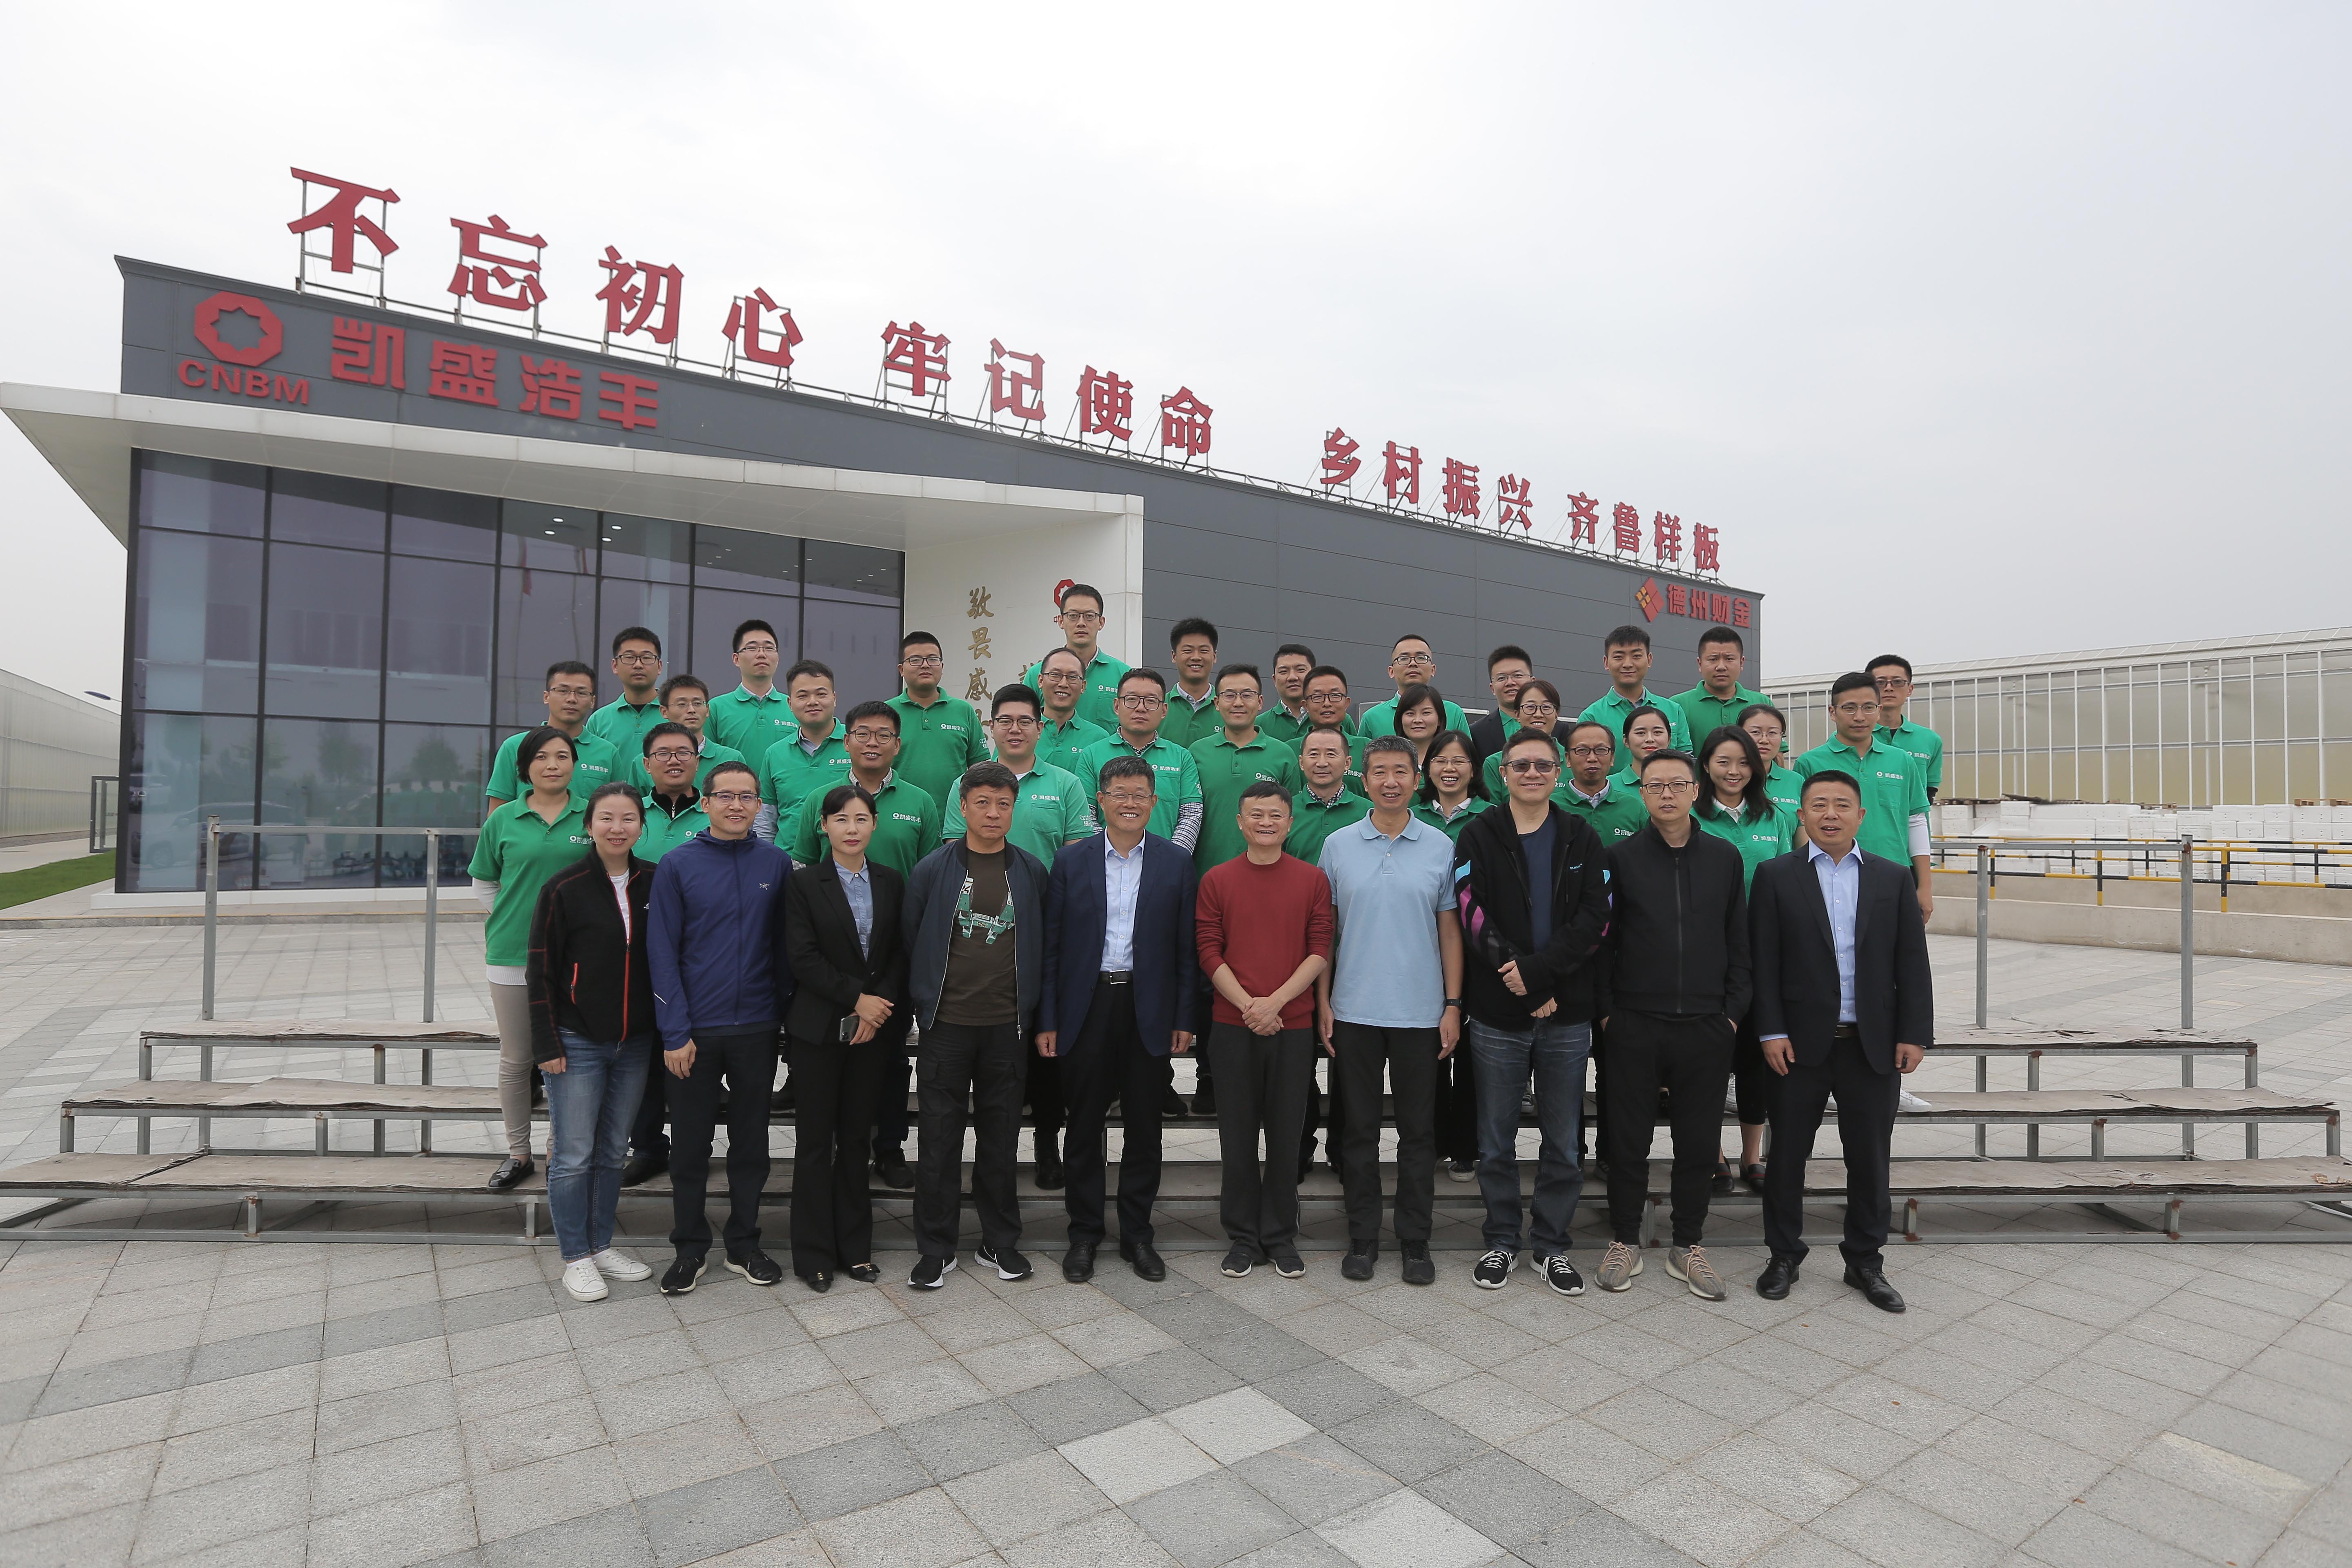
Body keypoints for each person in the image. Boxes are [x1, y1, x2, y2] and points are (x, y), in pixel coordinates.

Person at [1750, 770, 1933, 1314]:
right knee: (1788, 1157)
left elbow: (1911, 961)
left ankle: (1865, 1261)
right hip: (1797, 1046)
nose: (1830, 814)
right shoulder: (1775, 875)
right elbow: (1763, 960)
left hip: (1871, 1045)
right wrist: (1771, 1030)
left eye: (1841, 805)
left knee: (1870, 1159)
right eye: (1819, 805)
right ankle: (1784, 1255)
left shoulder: (1892, 877)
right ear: (1801, 814)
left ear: (1861, 815)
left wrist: (1914, 1033)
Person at [1453, 728, 1611, 1296]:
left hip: (1566, 1015)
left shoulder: (1580, 835)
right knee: (1495, 1141)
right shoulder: (1479, 834)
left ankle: (1551, 1246)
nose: (1532, 774)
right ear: (1503, 772)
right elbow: (1470, 913)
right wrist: (1522, 983)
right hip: (1498, 1015)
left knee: (1563, 1142)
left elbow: (1598, 917)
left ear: (1558, 772)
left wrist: (1540, 975)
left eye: (1543, 765)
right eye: (1521, 765)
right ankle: (1501, 1240)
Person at [1594, 749, 1750, 1303]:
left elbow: (1738, 938)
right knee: (1627, 1141)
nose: (1666, 794)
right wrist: (1609, 1013)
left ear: (1695, 790)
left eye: (1677, 784)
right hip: (1634, 1022)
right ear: (1641, 793)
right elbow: (1602, 944)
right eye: (1655, 785)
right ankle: (1624, 1240)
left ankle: (1688, 1244)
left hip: (1706, 1025)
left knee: (1699, 1143)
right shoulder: (1620, 858)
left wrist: (1732, 1013)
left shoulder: (1724, 857)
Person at [1040, 755, 1199, 1284]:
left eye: (1140, 794)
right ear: (1101, 801)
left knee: (1145, 1128)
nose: (1130, 803)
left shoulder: (1176, 863)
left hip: (1147, 1007)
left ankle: (1137, 1236)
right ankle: (1084, 1234)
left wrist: (1183, 1015)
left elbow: (1186, 950)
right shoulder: (1072, 861)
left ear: (1154, 802)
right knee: (1084, 1126)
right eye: (1119, 793)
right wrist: (1049, 1019)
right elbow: (1052, 948)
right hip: (1086, 1008)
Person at [899, 763, 1051, 1288]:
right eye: (982, 803)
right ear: (963, 807)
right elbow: (912, 941)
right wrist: (923, 1006)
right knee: (938, 1141)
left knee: (1000, 1140)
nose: (993, 813)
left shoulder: (1030, 871)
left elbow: (1044, 946)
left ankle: (999, 1242)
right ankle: (935, 1248)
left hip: (1007, 1028)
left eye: (1003, 804)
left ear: (1014, 809)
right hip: (947, 1026)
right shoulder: (932, 870)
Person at [1317, 736, 1463, 1286]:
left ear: (1416, 779)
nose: (1390, 782)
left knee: (1419, 1134)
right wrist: (1324, 1001)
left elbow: (1450, 932)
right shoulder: (1338, 845)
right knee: (1357, 1132)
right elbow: (1325, 932)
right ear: (1365, 778)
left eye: (1401, 771)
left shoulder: (1440, 845)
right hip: (1353, 1011)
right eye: (1379, 771)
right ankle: (1362, 1237)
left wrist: (1452, 1004)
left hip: (1421, 1014)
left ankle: (1415, 1239)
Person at [646, 760, 792, 1295]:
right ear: (705, 803)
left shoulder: (776, 863)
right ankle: (689, 1246)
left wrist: (783, 1020)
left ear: (759, 806)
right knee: (689, 1147)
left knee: (751, 1144)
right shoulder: (677, 864)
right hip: (694, 1032)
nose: (737, 805)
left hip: (756, 1027)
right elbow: (662, 953)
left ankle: (744, 1243)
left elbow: (784, 949)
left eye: (747, 797)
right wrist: (674, 1032)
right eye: (726, 796)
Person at [785, 699, 941, 1189]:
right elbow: (804, 867)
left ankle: (889, 1149)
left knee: (890, 1064)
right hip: (832, 963)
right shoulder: (821, 798)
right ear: (846, 740)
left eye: (884, 735)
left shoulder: (920, 801)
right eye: (863, 734)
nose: (873, 743)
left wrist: (886, 987)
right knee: (830, 1076)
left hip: (891, 959)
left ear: (898, 744)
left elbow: (929, 877)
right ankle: (833, 1156)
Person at [946, 683, 1094, 1187]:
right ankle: (985, 1157)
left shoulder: (1065, 784)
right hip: (982, 934)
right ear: (991, 727)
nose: (1015, 729)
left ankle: (1048, 1144)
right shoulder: (968, 783)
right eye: (1005, 720)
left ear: (1040, 726)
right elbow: (954, 855)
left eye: (1025, 721)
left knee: (1046, 1046)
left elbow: (1077, 857)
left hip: (1047, 932)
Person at [525, 782, 659, 1301]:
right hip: (577, 1040)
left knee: (612, 1150)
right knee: (574, 1153)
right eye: (607, 818)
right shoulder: (564, 888)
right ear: (589, 825)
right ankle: (575, 1257)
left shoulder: (656, 882)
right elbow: (541, 971)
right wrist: (547, 1044)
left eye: (628, 819)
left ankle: (601, 1245)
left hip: (636, 1042)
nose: (617, 828)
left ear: (641, 826)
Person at [1196, 781, 1331, 1279]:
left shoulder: (1312, 880)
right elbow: (1208, 949)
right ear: (1240, 822)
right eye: (1256, 815)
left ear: (1290, 823)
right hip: (1232, 1025)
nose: (1266, 823)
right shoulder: (1217, 879)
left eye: (1275, 815)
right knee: (1236, 1136)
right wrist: (1249, 1005)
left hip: (1291, 1027)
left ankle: (1279, 1235)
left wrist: (1275, 1004)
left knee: (1286, 1133)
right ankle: (1242, 1237)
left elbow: (1320, 948)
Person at [782, 784, 908, 1291]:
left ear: (874, 824)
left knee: (857, 1140)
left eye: (860, 819)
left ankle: (855, 1250)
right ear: (824, 827)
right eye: (840, 820)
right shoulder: (803, 884)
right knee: (816, 1142)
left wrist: (876, 1010)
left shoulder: (892, 881)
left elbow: (900, 952)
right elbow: (802, 956)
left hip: (873, 1032)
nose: (851, 829)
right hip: (817, 1030)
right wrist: (858, 999)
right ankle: (813, 1254)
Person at [470, 726, 594, 1191]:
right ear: (524, 768)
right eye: (541, 757)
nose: (552, 765)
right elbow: (485, 883)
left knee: (567, 1056)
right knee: (518, 1057)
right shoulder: (503, 819)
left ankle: (559, 1149)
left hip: (576, 959)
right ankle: (518, 1153)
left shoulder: (591, 815)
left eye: (562, 756)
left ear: (574, 764)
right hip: (512, 953)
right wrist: (518, 918)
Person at [1185, 663, 1303, 1119]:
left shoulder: (1282, 754)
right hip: (1210, 885)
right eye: (1229, 695)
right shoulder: (1196, 753)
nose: (1238, 702)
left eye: (1247, 694)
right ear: (1217, 703)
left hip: (1270, 889)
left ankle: (1275, 1078)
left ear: (1261, 702)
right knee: (1209, 982)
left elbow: (1292, 818)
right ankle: (1209, 1077)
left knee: (1266, 976)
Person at [1694, 726, 1794, 1196]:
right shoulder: (1692, 816)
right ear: (1706, 766)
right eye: (1723, 762)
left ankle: (1752, 1156)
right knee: (1710, 1059)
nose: (1733, 771)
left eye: (1743, 762)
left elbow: (1792, 880)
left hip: (1762, 955)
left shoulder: (1774, 817)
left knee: (1757, 1060)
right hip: (1708, 955)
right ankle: (1713, 1154)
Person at [1795, 673, 1933, 920]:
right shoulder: (1810, 762)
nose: (1859, 717)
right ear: (1833, 712)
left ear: (1879, 711)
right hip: (1830, 877)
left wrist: (1925, 886)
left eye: (1869, 708)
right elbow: (1803, 826)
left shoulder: (1902, 760)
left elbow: (1916, 821)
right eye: (1849, 708)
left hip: (1893, 876)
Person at [1074, 668, 1204, 851]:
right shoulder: (1092, 755)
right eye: (1132, 699)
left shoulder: (1182, 757)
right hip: (1106, 861)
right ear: (1117, 706)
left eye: (1151, 701)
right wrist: (1104, 855)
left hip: (1164, 862)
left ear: (1164, 710)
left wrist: (1172, 858)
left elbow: (1191, 813)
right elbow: (1085, 813)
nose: (1141, 708)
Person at [485, 662, 618, 811]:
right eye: (563, 691)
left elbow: (618, 809)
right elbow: (497, 815)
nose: (572, 699)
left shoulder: (608, 753)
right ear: (546, 697)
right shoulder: (514, 747)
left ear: (593, 701)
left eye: (581, 693)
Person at [887, 631, 989, 809]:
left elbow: (980, 770)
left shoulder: (964, 711)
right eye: (916, 660)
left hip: (954, 817)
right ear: (901, 670)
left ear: (942, 666)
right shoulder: (886, 713)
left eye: (933, 659)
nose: (925, 665)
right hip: (899, 815)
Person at [754, 660, 853, 839]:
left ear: (834, 698)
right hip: (788, 855)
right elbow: (766, 821)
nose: (813, 702)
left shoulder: (857, 744)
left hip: (844, 853)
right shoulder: (775, 754)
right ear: (790, 703)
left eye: (821, 694)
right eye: (803, 696)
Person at [1020, 582, 1129, 730]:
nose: (1081, 623)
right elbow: (1022, 724)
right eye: (1073, 616)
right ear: (1061, 621)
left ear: (1101, 622)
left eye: (1090, 616)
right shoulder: (1037, 674)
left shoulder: (1123, 675)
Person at [1580, 624, 1693, 754]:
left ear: (1649, 660)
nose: (1628, 664)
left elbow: (1686, 759)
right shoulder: (1592, 717)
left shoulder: (1674, 710)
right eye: (1619, 657)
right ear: (1606, 663)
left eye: (1637, 656)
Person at [621, 678, 745, 793]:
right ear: (664, 711)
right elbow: (636, 806)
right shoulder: (644, 762)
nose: (691, 710)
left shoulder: (731, 758)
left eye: (698, 703)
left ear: (707, 710)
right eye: (682, 704)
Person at [706, 619, 798, 766]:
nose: (761, 654)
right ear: (736, 659)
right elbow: (705, 761)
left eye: (769, 648)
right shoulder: (716, 708)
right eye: (752, 648)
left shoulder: (795, 707)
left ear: (778, 658)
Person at [1670, 626, 1772, 748]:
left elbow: (1776, 752)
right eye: (1713, 659)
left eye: (1729, 659)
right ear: (1700, 663)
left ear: (1742, 662)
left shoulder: (1762, 703)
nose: (1721, 667)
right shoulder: (1677, 705)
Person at [1556, 720, 1649, 847]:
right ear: (1568, 759)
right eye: (1582, 750)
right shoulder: (1551, 807)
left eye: (1601, 750)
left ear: (1612, 758)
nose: (1592, 758)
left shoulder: (1634, 807)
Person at [1287, 727, 1371, 864]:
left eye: (1331, 755)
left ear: (1348, 763)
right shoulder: (1285, 812)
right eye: (1314, 754)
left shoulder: (1369, 813)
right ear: (1301, 763)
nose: (1322, 763)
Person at [1867, 654, 1944, 801]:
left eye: (1898, 682)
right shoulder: (1853, 737)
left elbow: (1930, 790)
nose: (1889, 688)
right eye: (1881, 683)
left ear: (1910, 689)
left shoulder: (1930, 739)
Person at [1359, 635, 1469, 737]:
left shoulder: (1453, 712)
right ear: (1391, 672)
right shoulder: (1372, 717)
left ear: (1433, 670)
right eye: (1404, 659)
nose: (1413, 663)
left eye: (1421, 658)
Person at [634, 722, 714, 862]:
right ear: (647, 765)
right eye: (663, 754)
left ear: (697, 762)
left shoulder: (716, 815)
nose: (674, 761)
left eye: (683, 753)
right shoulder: (630, 813)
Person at [583, 626, 668, 757]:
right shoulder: (599, 720)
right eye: (629, 658)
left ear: (660, 666)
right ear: (615, 666)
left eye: (647, 658)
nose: (638, 665)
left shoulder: (675, 714)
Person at [1481, 681, 1564, 804]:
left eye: (1547, 707)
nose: (1538, 714)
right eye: (1530, 707)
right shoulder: (1494, 763)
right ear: (1517, 715)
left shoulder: (1573, 761)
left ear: (1556, 715)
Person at [1035, 646, 1112, 775]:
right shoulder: (1021, 730)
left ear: (1083, 686)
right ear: (1041, 681)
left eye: (1072, 677)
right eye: (1056, 675)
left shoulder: (1099, 738)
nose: (1063, 684)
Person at [1286, 667, 1368, 788]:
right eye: (1317, 697)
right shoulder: (1288, 750)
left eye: (1335, 696)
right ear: (1306, 706)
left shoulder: (1367, 748)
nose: (1327, 703)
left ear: (1346, 703)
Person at [1261, 643, 1346, 746]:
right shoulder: (1260, 724)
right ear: (1275, 680)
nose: (1292, 677)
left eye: (1300, 670)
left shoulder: (1339, 717)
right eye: (1284, 672)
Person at [1414, 731, 1491, 842]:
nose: (1449, 768)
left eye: (1459, 761)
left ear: (1473, 770)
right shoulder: (1412, 817)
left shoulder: (1492, 817)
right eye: (1440, 761)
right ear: (1429, 770)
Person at [1469, 646, 1534, 769]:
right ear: (1492, 688)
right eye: (1502, 678)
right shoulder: (1476, 733)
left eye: (1518, 675)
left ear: (1532, 681)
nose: (1510, 683)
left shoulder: (1558, 729)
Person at [1161, 618, 1222, 750]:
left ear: (1215, 656)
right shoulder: (1158, 708)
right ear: (1174, 656)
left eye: (1204, 651)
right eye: (1188, 651)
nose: (1196, 657)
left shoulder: (1228, 709)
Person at [1740, 703, 1807, 821]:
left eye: (1773, 733)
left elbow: (1801, 828)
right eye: (1755, 732)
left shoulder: (1796, 781)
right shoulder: (1731, 778)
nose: (1764, 740)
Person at [1610, 705, 1677, 788]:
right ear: (1626, 741)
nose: (1650, 739)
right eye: (1641, 733)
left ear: (1669, 739)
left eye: (1657, 732)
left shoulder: (1684, 783)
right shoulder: (1609, 786)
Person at [1392, 684, 1448, 771]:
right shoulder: (1389, 758)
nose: (1418, 720)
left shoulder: (1452, 759)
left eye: (1426, 713)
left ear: (1440, 719)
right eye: (1410, 714)